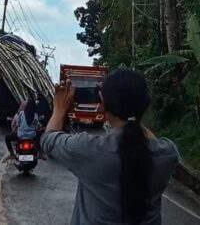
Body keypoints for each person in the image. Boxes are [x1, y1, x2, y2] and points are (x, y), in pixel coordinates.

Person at [41, 69, 180, 224]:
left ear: (103, 102)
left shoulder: (88, 149)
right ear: (146, 104)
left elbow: (48, 139)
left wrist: (59, 108)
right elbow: (152, 140)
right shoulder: (167, 155)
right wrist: (134, 119)